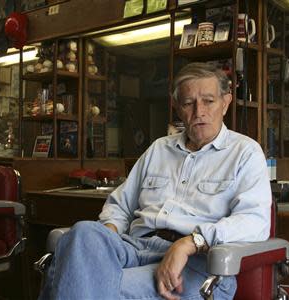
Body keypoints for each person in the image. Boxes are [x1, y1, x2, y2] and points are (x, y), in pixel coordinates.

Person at [40, 62, 271, 300]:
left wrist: (189, 243)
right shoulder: (159, 149)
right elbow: (120, 206)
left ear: (226, 103)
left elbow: (254, 222)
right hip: (134, 245)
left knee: (72, 281)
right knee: (83, 233)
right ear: (177, 107)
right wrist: (102, 248)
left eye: (209, 101)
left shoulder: (245, 153)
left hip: (196, 263)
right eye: (189, 103)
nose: (199, 111)